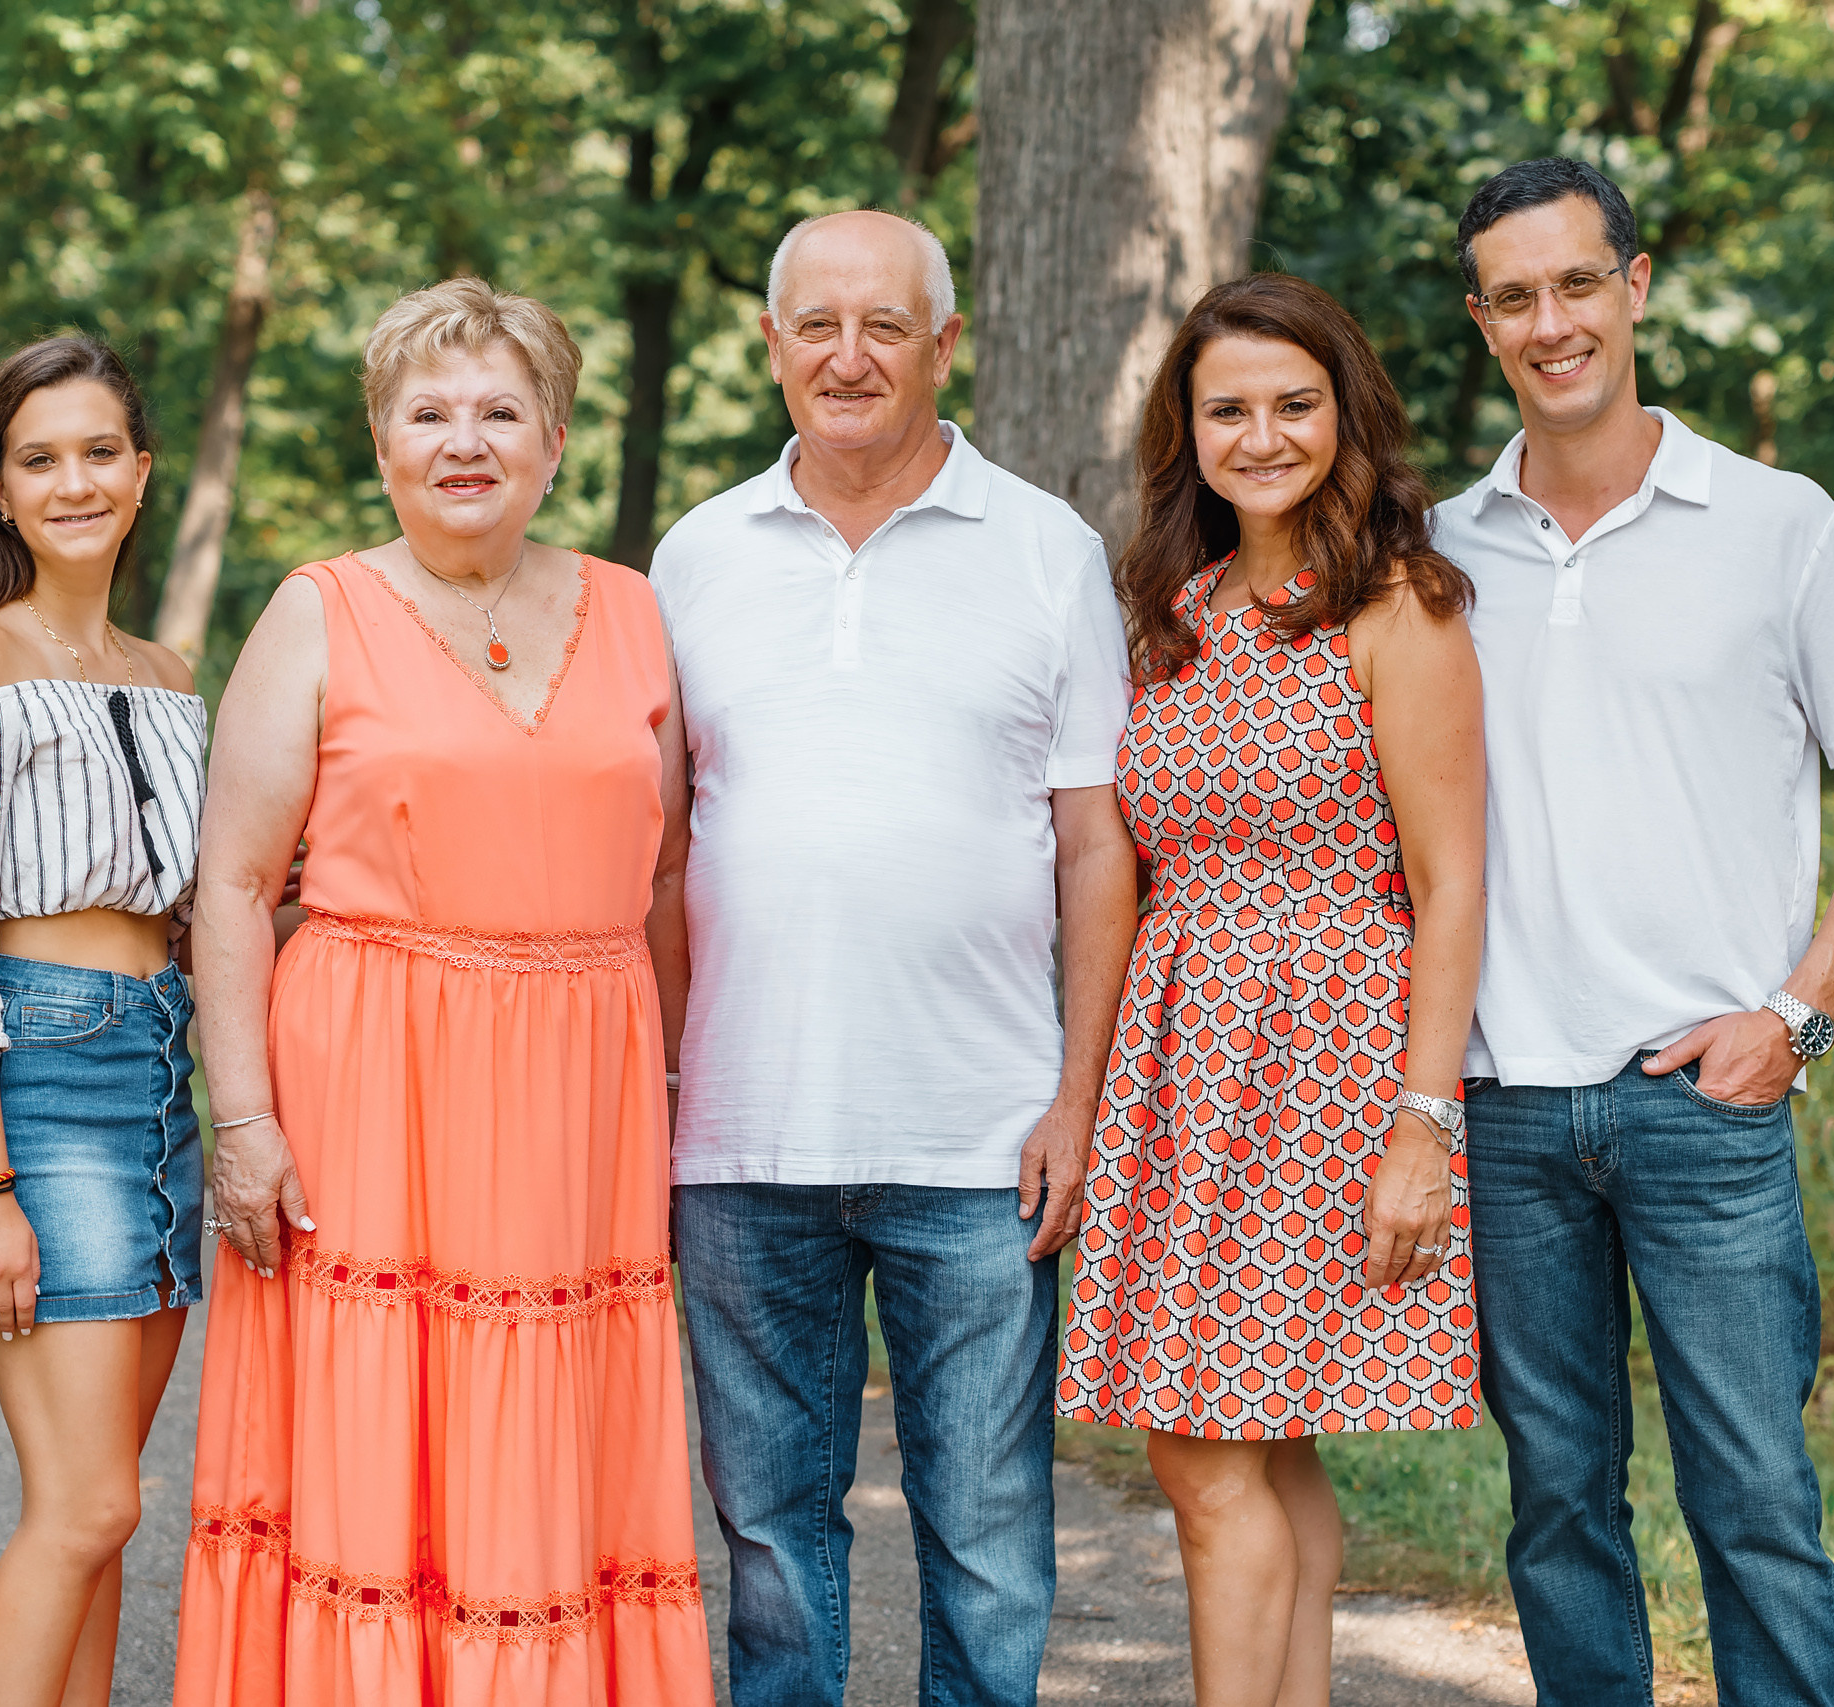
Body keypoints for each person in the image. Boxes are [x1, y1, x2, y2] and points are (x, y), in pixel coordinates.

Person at [1435, 157, 1834, 1706]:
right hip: (1505, 1107)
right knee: (1560, 1510)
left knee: (1757, 1510)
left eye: (1578, 283)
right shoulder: (1438, 552)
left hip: (1706, 1102)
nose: (1552, 320)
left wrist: (1792, 1018)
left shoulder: (1779, 525)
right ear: (1482, 322)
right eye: (1515, 297)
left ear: (1635, 287)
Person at [174, 277, 712, 1704]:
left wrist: (665, 1093)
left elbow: (663, 879)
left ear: (552, 439)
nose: (463, 441)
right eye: (429, 413)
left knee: (552, 1426)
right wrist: (241, 1119)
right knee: (374, 1433)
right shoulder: (319, 612)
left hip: (580, 1083)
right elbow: (232, 885)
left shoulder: (637, 610)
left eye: (498, 411)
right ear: (382, 439)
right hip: (369, 1080)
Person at [649, 208, 1135, 1707]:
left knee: (986, 1535)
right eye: (817, 326)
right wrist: (662, 1080)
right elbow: (660, 848)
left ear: (945, 344)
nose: (847, 357)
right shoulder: (692, 555)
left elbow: (1097, 845)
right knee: (770, 1539)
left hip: (979, 1138)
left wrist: (1079, 1096)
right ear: (772, 346)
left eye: (883, 327)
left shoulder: (1048, 550)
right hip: (740, 1135)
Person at [1056, 272, 1486, 1707]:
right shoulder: (1169, 608)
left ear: (1343, 413)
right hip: (1184, 1068)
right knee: (1258, 1439)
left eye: (1293, 404)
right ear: (1187, 426)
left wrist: (1423, 1122)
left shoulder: (1397, 604)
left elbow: (1454, 883)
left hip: (1323, 1073)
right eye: (1227, 406)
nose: (1261, 433)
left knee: (1203, 1449)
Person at [0, 336, 205, 1706]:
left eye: (97, 452)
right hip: (43, 1081)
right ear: (0, 492)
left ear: (141, 474)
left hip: (156, 1072)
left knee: (112, 1509)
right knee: (78, 1508)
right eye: (38, 459)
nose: (73, 481)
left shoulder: (173, 673)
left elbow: (199, 904)